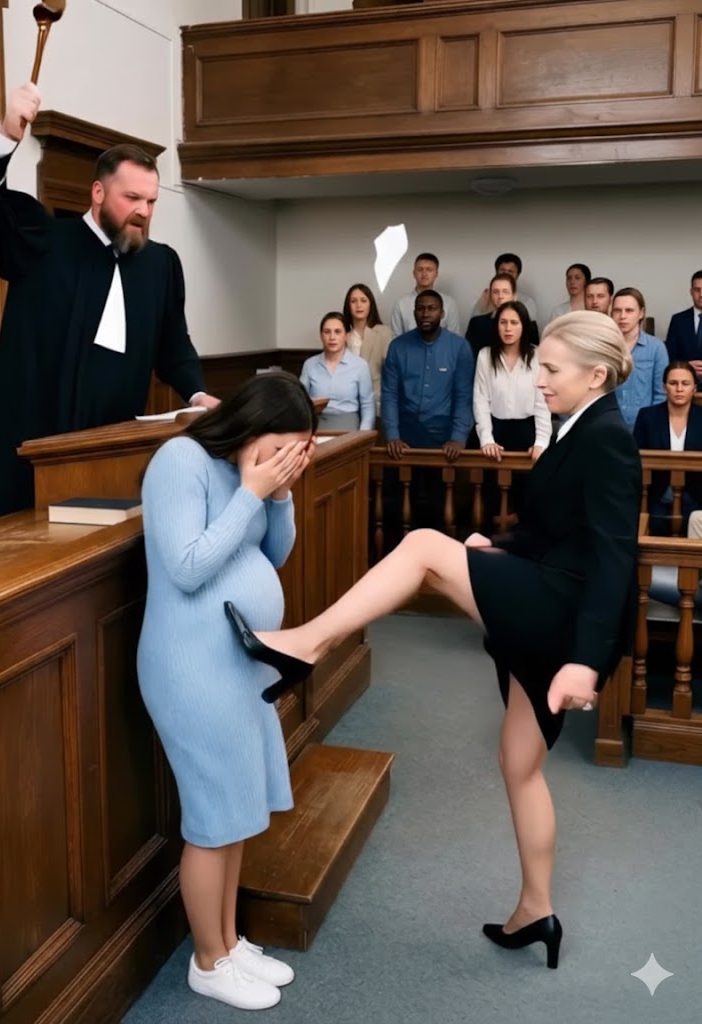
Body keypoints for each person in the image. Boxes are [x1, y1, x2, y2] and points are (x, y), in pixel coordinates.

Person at [227, 311, 642, 970]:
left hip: (562, 613)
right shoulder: (580, 426)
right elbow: (560, 531)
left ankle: (306, 645)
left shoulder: (609, 437)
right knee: (519, 763)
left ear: (596, 375)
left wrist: (585, 664)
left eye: (552, 370)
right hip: (550, 588)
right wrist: (495, 546)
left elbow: (615, 559)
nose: (540, 381)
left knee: (422, 544)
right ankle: (537, 909)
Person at [0, 82, 216, 518]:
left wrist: (198, 394)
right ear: (98, 193)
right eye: (132, 198)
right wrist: (5, 136)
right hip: (35, 465)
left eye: (151, 201)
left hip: (116, 461)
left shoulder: (160, 264)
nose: (144, 211)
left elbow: (173, 346)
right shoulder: (41, 242)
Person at [137, 372, 317, 1010]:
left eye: (297, 453)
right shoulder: (180, 461)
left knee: (238, 811)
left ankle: (230, 942)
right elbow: (187, 567)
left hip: (241, 666)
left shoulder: (252, 474)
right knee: (213, 819)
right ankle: (207, 960)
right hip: (191, 667)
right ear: (250, 426)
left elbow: (277, 553)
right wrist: (252, 492)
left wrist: (280, 496)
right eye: (282, 448)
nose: (285, 460)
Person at [381, 290, 474, 460]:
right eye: (420, 309)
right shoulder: (397, 347)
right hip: (404, 436)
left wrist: (458, 438)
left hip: (445, 436)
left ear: (442, 313)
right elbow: (390, 395)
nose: (426, 314)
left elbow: (464, 396)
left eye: (432, 308)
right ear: (414, 313)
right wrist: (393, 436)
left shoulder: (460, 347)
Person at [473, 301, 551, 462]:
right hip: (495, 432)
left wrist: (541, 443)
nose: (508, 328)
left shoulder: (537, 356)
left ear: (524, 326)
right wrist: (487, 439)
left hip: (528, 432)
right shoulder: (485, 356)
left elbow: (542, 404)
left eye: (514, 323)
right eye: (503, 322)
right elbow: (481, 401)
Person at [633, 361, 702, 534]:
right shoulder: (647, 416)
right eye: (673, 383)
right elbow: (635, 458)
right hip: (655, 495)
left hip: (696, 497)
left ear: (694, 388)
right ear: (664, 387)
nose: (679, 389)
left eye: (685, 384)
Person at [300, 313, 375, 430]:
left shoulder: (360, 365)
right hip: (316, 422)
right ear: (321, 336)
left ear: (346, 336)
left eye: (337, 332)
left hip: (348, 421)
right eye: (327, 332)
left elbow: (367, 405)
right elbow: (300, 400)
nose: (332, 337)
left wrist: (363, 433)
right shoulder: (310, 365)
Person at [610, 287, 668, 430]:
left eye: (629, 310)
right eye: (617, 310)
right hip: (609, 425)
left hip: (645, 426)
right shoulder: (605, 347)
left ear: (641, 313)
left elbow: (661, 394)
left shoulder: (656, 348)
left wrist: (652, 425)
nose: (622, 316)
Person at [342, 283, 393, 414]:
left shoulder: (383, 332)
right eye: (353, 301)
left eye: (363, 301)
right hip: (346, 402)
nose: (358, 305)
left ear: (371, 305)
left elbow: (391, 372)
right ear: (348, 306)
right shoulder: (341, 334)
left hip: (376, 402)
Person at [466, 273, 539, 359]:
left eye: (505, 292)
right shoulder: (477, 323)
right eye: (496, 292)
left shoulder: (529, 325)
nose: (500, 296)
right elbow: (469, 357)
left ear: (514, 295)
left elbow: (534, 356)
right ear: (490, 295)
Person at [389, 253, 460, 336]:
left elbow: (454, 337)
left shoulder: (449, 303)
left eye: (429, 270)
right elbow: (396, 338)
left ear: (436, 274)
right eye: (420, 269)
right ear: (414, 273)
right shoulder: (400, 304)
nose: (424, 273)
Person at [471, 253, 537, 321]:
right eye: (502, 270)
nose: (506, 274)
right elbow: (475, 322)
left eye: (510, 271)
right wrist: (486, 307)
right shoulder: (485, 298)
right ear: (496, 273)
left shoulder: (527, 302)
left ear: (518, 275)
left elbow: (529, 325)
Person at [665, 270, 702, 385]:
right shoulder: (678, 320)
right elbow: (669, 357)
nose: (701, 294)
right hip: (683, 386)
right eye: (697, 290)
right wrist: (686, 366)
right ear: (691, 292)